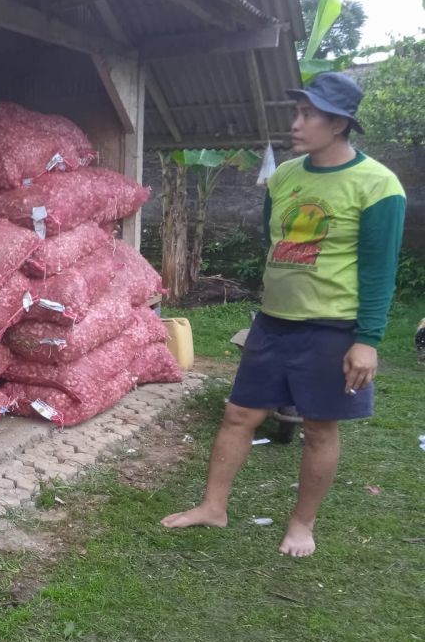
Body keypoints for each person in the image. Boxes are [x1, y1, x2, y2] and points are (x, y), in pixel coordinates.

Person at [161, 73, 406, 557]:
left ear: (338, 124)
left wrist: (368, 340)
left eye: (307, 114)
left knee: (318, 426)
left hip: (332, 329)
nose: (296, 123)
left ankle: (301, 524)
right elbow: (271, 244)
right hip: (272, 322)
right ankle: (213, 506)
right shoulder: (285, 177)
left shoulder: (378, 185)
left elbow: (380, 270)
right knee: (237, 415)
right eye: (296, 112)